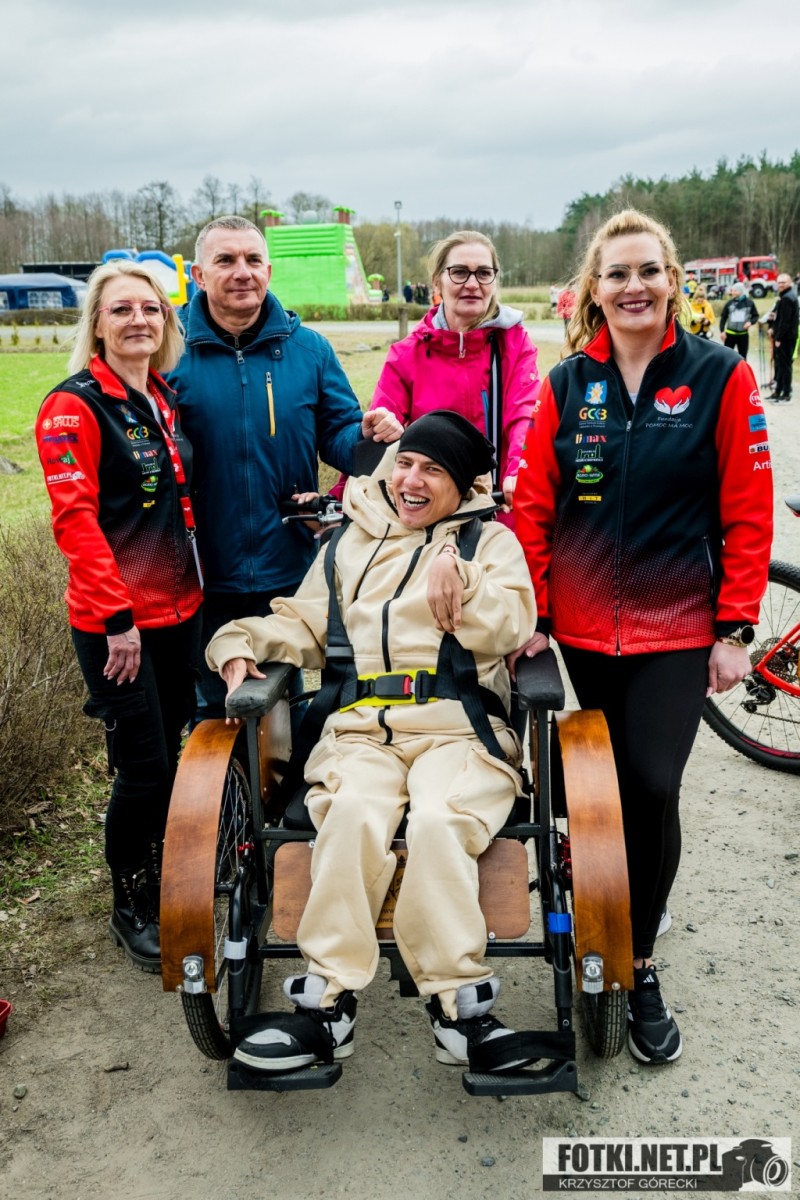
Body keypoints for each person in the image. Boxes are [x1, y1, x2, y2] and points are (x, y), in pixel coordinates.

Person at [513, 209, 773, 1065]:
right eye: (617, 273)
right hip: (580, 629)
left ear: (672, 282)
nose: (634, 287)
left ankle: (640, 958)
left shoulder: (720, 375)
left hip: (675, 628)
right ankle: (593, 909)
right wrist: (533, 617)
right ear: (595, 289)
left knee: (652, 786)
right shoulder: (567, 384)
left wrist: (734, 627)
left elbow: (747, 510)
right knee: (589, 797)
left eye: (648, 271)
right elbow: (532, 508)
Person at [206, 412, 537, 1075]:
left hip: (456, 727)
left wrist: (463, 579)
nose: (412, 480)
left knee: (440, 820)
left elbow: (511, 624)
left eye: (433, 471)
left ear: (463, 486)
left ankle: (458, 1010)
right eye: (406, 463)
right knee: (352, 813)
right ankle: (327, 1007)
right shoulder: (348, 543)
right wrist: (237, 642)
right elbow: (302, 624)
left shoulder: (489, 543)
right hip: (360, 729)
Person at [35, 261, 204, 973]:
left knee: (171, 756)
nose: (139, 319)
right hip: (119, 627)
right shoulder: (73, 406)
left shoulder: (161, 396)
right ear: (97, 325)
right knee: (143, 769)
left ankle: (163, 875)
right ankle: (128, 901)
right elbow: (75, 523)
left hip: (179, 613)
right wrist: (115, 619)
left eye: (151, 308)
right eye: (122, 309)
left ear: (167, 322)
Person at [166, 216, 401, 719]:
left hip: (289, 565)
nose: (242, 272)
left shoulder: (308, 349)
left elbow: (338, 438)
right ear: (199, 276)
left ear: (268, 271)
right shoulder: (167, 352)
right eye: (225, 260)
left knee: (283, 707)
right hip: (202, 572)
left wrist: (366, 435)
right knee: (213, 711)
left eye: (253, 260)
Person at [364, 230, 541, 515]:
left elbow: (525, 414)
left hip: (499, 506)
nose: (472, 284)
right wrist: (341, 499)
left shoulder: (515, 343)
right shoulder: (406, 354)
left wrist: (518, 471)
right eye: (459, 272)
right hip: (429, 512)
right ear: (437, 281)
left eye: (484, 273)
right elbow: (378, 439)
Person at [766, 273, 798, 403]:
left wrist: (778, 337)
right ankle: (777, 391)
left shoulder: (788, 298)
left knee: (785, 366)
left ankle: (786, 393)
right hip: (783, 336)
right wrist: (772, 326)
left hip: (786, 338)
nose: (780, 285)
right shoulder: (784, 297)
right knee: (779, 365)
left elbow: (786, 321)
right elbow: (779, 318)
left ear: (789, 283)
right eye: (779, 282)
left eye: (783, 282)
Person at [719, 282, 759, 359]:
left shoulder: (749, 303)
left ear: (740, 291)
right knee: (728, 357)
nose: (732, 293)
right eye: (732, 291)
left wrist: (750, 322)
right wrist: (722, 331)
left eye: (735, 291)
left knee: (743, 358)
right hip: (730, 335)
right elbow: (723, 317)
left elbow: (755, 316)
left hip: (743, 335)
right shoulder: (729, 303)